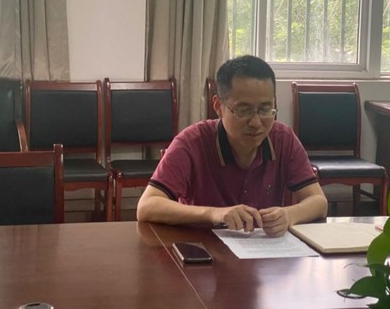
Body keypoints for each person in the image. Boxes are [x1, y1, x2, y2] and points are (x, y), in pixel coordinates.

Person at [136, 55, 328, 237]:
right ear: (218, 106)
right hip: (203, 247)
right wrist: (214, 214)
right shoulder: (192, 142)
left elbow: (319, 201)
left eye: (265, 109)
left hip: (263, 252)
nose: (256, 122)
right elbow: (147, 206)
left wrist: (289, 215)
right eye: (243, 110)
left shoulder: (283, 139)